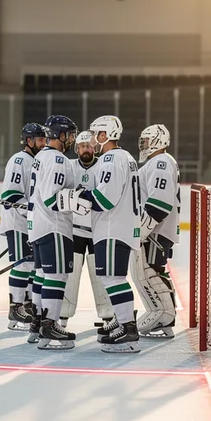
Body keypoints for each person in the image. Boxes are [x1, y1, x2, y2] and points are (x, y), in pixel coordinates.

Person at [59, 115, 142, 354]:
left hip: (112, 228)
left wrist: (77, 198)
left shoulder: (111, 159)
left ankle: (128, 331)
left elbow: (104, 199)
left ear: (105, 135)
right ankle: (123, 324)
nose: (93, 139)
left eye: (96, 133)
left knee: (112, 279)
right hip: (118, 227)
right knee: (111, 277)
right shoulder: (124, 158)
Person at [27, 114, 87, 349]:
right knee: (57, 275)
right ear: (60, 135)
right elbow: (54, 198)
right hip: (54, 226)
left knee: (42, 275)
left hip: (38, 225)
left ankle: (38, 323)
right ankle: (50, 326)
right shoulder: (59, 160)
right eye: (70, 135)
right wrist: (78, 198)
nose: (71, 139)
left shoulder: (41, 157)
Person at [60, 131, 113, 328]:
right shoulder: (69, 167)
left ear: (94, 147)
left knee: (100, 273)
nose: (85, 149)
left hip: (98, 229)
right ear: (77, 149)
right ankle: (63, 314)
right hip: (75, 230)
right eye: (82, 146)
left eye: (89, 146)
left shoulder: (104, 166)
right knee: (70, 273)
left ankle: (107, 315)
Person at [132, 124, 181, 339]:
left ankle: (163, 315)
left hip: (156, 230)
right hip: (158, 229)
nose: (143, 145)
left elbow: (159, 203)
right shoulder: (160, 162)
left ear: (158, 141)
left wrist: (143, 229)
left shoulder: (160, 162)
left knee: (150, 271)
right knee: (155, 270)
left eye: (147, 141)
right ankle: (164, 316)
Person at [0, 122, 46, 331]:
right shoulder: (19, 160)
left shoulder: (36, 161)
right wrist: (31, 211)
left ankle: (26, 306)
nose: (44, 143)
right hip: (18, 222)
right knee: (24, 265)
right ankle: (15, 307)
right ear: (29, 141)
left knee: (33, 266)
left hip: (31, 223)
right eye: (40, 140)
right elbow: (11, 195)